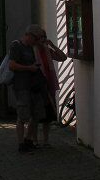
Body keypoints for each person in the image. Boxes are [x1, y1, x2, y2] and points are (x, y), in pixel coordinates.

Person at [8, 25, 47, 153]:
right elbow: (12, 65)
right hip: (22, 85)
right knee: (22, 115)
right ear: (29, 35)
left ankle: (28, 139)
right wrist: (29, 68)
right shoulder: (16, 46)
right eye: (36, 39)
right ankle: (21, 144)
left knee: (35, 114)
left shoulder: (33, 48)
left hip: (33, 86)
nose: (36, 41)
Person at [34, 29, 67, 146]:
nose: (43, 39)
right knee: (36, 114)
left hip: (48, 85)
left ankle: (46, 140)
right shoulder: (33, 51)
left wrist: (52, 46)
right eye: (40, 37)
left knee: (47, 116)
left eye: (44, 37)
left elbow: (63, 57)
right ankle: (34, 140)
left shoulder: (47, 51)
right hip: (37, 86)